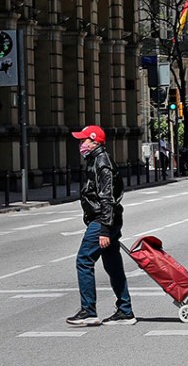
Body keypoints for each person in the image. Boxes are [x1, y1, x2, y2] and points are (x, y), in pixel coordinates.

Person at [66, 125, 135, 327]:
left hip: (103, 220)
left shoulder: (101, 162)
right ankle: (125, 311)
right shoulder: (95, 159)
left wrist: (104, 229)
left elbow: (107, 197)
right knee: (112, 264)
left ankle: (89, 311)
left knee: (84, 260)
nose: (81, 144)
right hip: (106, 219)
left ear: (95, 141)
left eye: (84, 140)